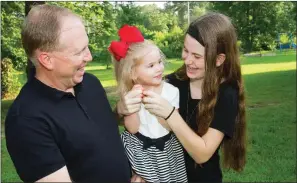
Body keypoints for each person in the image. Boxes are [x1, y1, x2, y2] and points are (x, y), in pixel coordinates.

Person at [5, 4, 131, 182]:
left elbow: (100, 136)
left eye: (87, 47)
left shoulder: (90, 83)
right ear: (47, 60)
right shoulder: (26, 120)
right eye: (79, 52)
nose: (89, 57)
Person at [117, 13, 247, 182]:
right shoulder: (174, 81)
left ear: (218, 60)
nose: (187, 60)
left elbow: (202, 154)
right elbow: (134, 124)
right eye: (186, 50)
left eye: (197, 56)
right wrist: (121, 108)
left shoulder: (227, 93)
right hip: (163, 175)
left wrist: (170, 115)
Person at [109, 25, 188, 182]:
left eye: (159, 62)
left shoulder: (171, 91)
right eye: (151, 66)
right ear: (133, 73)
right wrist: (131, 107)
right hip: (140, 149)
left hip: (167, 150)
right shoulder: (130, 95)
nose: (159, 68)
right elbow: (132, 128)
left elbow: (170, 126)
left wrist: (161, 108)